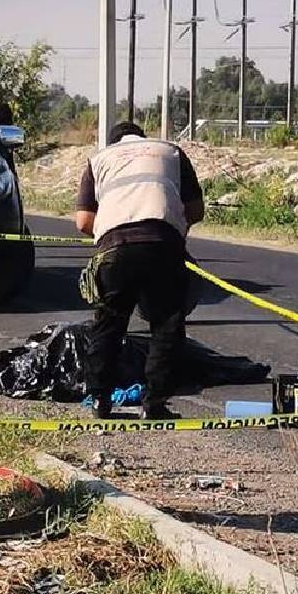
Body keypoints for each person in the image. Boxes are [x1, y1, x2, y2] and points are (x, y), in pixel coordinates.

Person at [74, 122, 205, 419]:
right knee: (166, 326)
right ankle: (154, 404)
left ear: (114, 142)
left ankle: (100, 401)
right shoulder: (170, 152)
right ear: (141, 139)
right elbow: (196, 210)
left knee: (108, 325)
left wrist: (109, 234)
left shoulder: (99, 160)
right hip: (163, 246)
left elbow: (83, 221)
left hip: (115, 251)